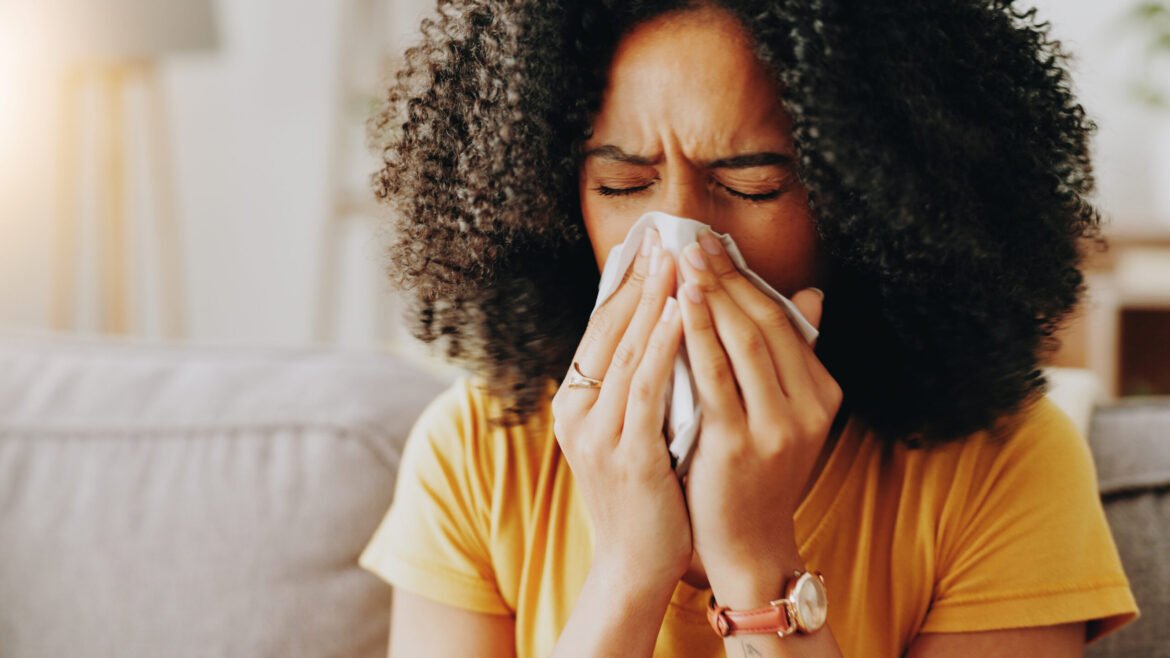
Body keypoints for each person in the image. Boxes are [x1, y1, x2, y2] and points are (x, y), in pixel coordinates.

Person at [357, 1, 1140, 656]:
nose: (678, 245)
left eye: (753, 185)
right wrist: (628, 572)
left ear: (872, 203)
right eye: (622, 184)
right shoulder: (479, 450)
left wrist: (755, 557)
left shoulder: (1005, 463)